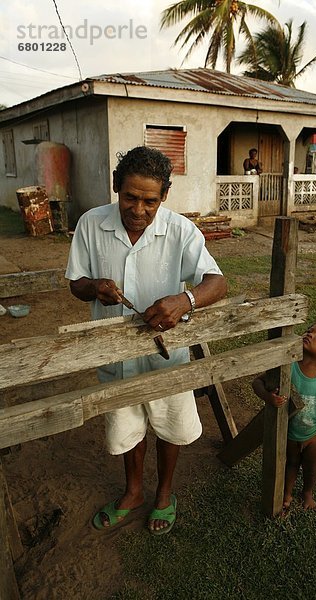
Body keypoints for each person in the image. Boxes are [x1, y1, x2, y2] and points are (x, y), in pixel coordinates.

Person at [65, 146, 227, 535]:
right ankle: (134, 492)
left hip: (166, 352)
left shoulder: (180, 230)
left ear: (164, 196)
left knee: (170, 424)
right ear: (116, 186)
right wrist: (94, 287)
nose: (139, 209)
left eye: (150, 201)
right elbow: (76, 283)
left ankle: (164, 494)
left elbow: (217, 282)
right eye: (130, 197)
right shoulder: (91, 223)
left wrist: (183, 300)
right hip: (116, 354)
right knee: (126, 425)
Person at [252, 320, 316, 510]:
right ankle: (287, 494)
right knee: (292, 463)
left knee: (311, 467)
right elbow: (257, 382)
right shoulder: (289, 366)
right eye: (309, 331)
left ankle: (307, 493)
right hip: (291, 430)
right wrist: (268, 397)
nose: (310, 335)